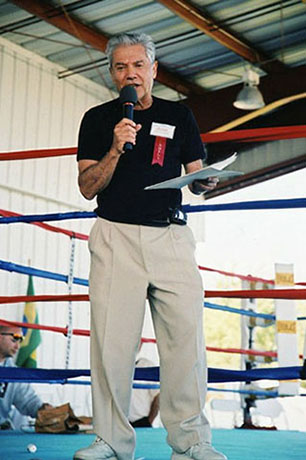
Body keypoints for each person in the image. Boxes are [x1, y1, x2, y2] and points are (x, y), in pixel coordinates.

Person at [74, 32, 227, 460]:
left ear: (154, 69)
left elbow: (199, 177)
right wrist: (116, 148)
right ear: (112, 73)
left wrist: (205, 179)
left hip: (171, 237)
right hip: (115, 235)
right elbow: (88, 187)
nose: (131, 74)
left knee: (186, 343)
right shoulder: (97, 118)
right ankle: (111, 441)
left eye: (138, 65)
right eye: (121, 67)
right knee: (112, 345)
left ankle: (192, 443)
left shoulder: (179, 115)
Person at [0, 325, 52, 429]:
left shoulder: (12, 371)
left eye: (20, 341)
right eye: (14, 339)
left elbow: (28, 400)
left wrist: (46, 411)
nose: (18, 346)